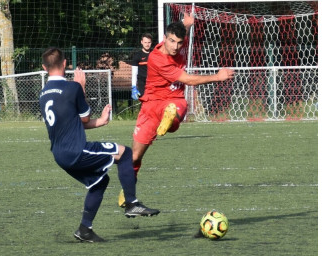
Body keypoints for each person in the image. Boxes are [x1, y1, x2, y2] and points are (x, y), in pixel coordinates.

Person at [39, 47, 160, 243]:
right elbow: (84, 117)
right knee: (126, 153)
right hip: (77, 151)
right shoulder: (72, 88)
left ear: (44, 68)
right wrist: (81, 86)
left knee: (100, 182)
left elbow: (73, 124)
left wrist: (101, 122)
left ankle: (85, 229)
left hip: (60, 155)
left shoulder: (43, 94)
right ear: (64, 64)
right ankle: (132, 203)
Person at [118, 12, 235, 207]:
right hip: (153, 105)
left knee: (176, 111)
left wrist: (186, 23)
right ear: (164, 39)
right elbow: (188, 80)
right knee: (135, 156)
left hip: (172, 101)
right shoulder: (158, 58)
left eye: (179, 43)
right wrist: (217, 76)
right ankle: (127, 192)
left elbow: (180, 32)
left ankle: (170, 120)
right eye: (171, 41)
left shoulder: (178, 41)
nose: (175, 46)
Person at [131, 33, 153, 100]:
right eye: (145, 42)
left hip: (153, 83)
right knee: (145, 103)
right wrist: (134, 87)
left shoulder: (154, 54)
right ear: (142, 42)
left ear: (151, 42)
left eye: (149, 42)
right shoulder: (137, 56)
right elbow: (134, 73)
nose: (147, 44)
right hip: (142, 84)